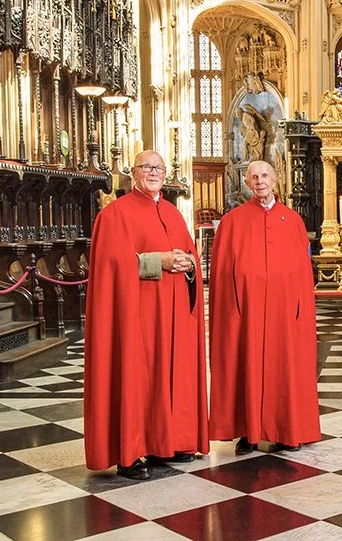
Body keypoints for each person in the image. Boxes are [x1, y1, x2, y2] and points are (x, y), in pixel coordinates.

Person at [84, 151, 208, 479]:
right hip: (136, 316)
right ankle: (131, 452)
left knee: (172, 373)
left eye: (159, 168)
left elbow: (190, 253)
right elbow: (113, 266)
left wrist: (189, 264)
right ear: (133, 172)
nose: (153, 173)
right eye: (146, 167)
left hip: (174, 314)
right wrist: (161, 262)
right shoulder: (115, 215)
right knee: (137, 378)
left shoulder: (172, 212)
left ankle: (169, 442)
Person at [208, 159, 321, 453]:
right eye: (254, 177)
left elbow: (302, 272)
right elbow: (220, 274)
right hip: (247, 312)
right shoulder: (232, 221)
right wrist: (233, 308)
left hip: (285, 312)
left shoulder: (294, 220)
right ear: (247, 183)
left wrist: (299, 309)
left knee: (285, 367)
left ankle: (287, 430)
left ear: (276, 179)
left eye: (264, 176)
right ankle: (249, 432)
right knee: (248, 365)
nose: (260, 181)